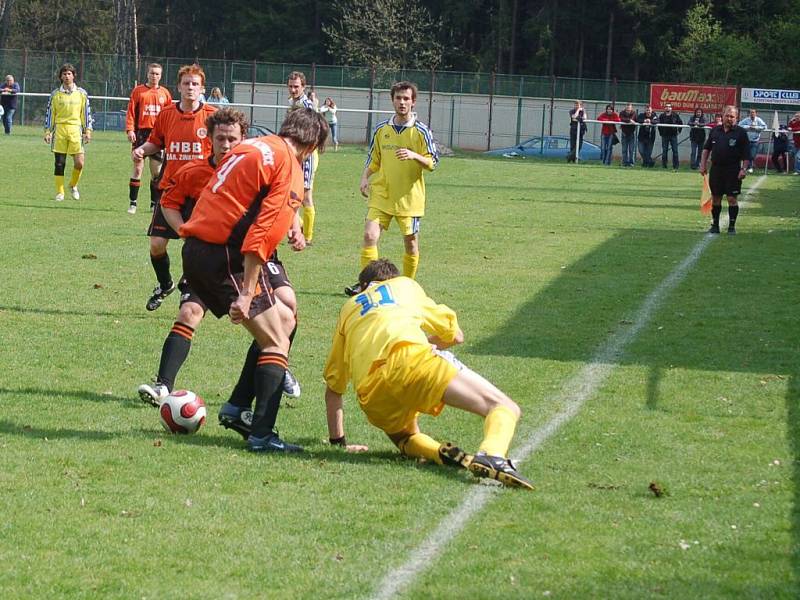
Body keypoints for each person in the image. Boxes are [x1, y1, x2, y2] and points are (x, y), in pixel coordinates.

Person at [179, 107, 328, 452]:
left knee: (286, 320)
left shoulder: (256, 146)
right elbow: (263, 232)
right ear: (311, 146)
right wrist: (246, 293)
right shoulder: (288, 164)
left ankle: (236, 407)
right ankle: (262, 435)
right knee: (277, 341)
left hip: (198, 250)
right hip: (224, 256)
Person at [136, 108, 302, 406]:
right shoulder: (193, 172)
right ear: (209, 139)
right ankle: (163, 385)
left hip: (254, 255)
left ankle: (275, 361)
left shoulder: (256, 165)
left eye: (232, 139)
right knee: (189, 313)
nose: (226, 145)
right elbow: (168, 203)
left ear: (244, 139)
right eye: (220, 138)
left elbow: (282, 200)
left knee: (288, 306)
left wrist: (296, 225)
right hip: (213, 257)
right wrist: (185, 230)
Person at [324, 258, 533, 490]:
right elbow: (455, 335)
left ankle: (435, 451)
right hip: (410, 361)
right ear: (391, 279)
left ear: (363, 286)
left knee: (404, 438)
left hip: (370, 392)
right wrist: (427, 343)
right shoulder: (404, 285)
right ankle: (492, 455)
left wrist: (338, 442)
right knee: (504, 407)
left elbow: (334, 386)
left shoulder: (349, 308)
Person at [133, 64, 217, 312]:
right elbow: (155, 143)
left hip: (202, 194)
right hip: (171, 190)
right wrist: (141, 149)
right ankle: (165, 283)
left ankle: (190, 286)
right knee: (157, 244)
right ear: (178, 86)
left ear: (202, 88)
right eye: (186, 83)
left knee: (193, 246)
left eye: (195, 84)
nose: (190, 88)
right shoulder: (167, 113)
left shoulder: (212, 116)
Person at [345, 81, 438, 296]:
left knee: (410, 243)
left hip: (409, 198)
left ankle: (408, 287)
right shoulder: (381, 130)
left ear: (413, 102)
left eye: (406, 98)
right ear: (393, 100)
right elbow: (373, 159)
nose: (402, 102)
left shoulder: (421, 131)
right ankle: (367, 285)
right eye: (398, 98)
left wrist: (414, 155)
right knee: (369, 236)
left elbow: (433, 162)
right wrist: (364, 177)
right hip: (382, 194)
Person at [125, 63, 173, 215]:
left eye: (157, 74)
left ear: (161, 75)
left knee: (156, 172)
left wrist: (169, 133)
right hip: (141, 134)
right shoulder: (138, 91)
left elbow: (170, 116)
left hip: (158, 135)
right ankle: (133, 203)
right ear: (147, 74)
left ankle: (154, 204)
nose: (154, 76)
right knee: (138, 168)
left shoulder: (165, 94)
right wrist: (130, 130)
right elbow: (131, 112)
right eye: (152, 73)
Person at [44, 64, 92, 202]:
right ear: (60, 76)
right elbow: (50, 114)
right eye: (64, 74)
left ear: (73, 75)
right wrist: (48, 131)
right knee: (60, 163)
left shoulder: (82, 93)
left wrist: (87, 130)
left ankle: (73, 185)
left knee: (79, 163)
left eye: (69, 73)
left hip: (75, 130)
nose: (66, 76)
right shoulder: (55, 94)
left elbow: (86, 113)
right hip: (60, 130)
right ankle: (60, 192)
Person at [699, 105, 750, 235]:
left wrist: (743, 169)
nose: (729, 118)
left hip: (733, 170)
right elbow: (706, 149)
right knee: (716, 198)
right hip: (716, 170)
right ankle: (715, 225)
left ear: (736, 118)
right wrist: (703, 164)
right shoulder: (715, 131)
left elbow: (746, 155)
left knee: (732, 198)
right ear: (722, 115)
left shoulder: (741, 133)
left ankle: (731, 227)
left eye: (732, 116)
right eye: (727, 115)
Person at [287, 71, 320, 245]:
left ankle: (307, 237)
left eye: (296, 86)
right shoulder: (292, 102)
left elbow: (315, 130)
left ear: (303, 87)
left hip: (306, 155)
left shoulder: (307, 105)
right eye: (291, 86)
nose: (293, 89)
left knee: (306, 195)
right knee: (292, 192)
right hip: (294, 153)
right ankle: (295, 227)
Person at [738, 108, 766, 173]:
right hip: (747, 140)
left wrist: (756, 127)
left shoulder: (759, 120)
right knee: (746, 154)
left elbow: (764, 126)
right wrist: (748, 127)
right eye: (751, 112)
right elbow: (739, 125)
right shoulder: (746, 120)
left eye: (753, 112)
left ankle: (749, 167)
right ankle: (748, 167)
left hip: (755, 140)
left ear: (756, 113)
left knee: (752, 155)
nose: (752, 114)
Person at [658, 103, 683, 170]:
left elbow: (680, 123)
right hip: (665, 136)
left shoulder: (675, 115)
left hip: (673, 136)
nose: (668, 108)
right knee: (664, 151)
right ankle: (664, 166)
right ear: (665, 108)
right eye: (666, 107)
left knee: (675, 151)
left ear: (671, 108)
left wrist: (679, 131)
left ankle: (676, 166)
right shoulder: (662, 116)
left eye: (669, 107)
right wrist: (661, 133)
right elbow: (659, 125)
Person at [618, 103, 637, 167]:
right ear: (625, 107)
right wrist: (629, 120)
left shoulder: (634, 113)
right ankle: (624, 163)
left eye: (629, 108)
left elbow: (633, 118)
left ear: (631, 108)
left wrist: (629, 120)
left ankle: (631, 163)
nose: (628, 109)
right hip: (624, 133)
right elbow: (621, 119)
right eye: (627, 108)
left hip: (631, 133)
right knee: (624, 150)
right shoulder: (622, 113)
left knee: (632, 150)